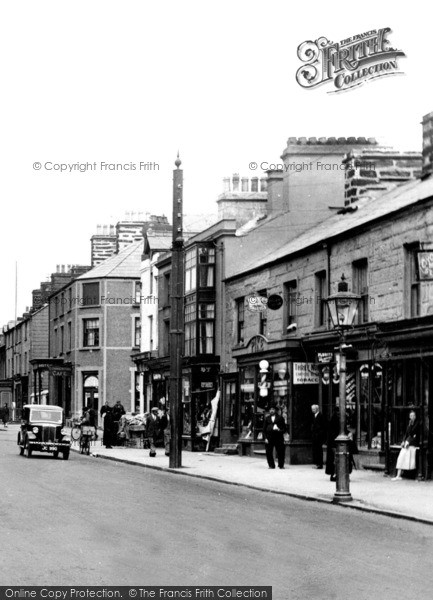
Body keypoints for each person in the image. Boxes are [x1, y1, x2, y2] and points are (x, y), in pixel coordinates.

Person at [392, 410, 419, 481]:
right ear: (409, 417)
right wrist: (403, 441)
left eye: (413, 415)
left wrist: (408, 442)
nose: (412, 417)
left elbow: (413, 433)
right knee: (400, 458)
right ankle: (398, 475)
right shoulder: (409, 423)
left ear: (415, 416)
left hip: (412, 444)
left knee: (407, 459)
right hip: (407, 444)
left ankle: (406, 475)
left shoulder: (417, 423)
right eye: (411, 416)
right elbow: (406, 434)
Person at [262, 404, 287, 469]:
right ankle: (271, 465)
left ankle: (281, 465)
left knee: (280, 451)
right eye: (270, 409)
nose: (271, 411)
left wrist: (279, 430)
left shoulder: (280, 418)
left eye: (273, 409)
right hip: (269, 437)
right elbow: (264, 429)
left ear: (275, 410)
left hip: (278, 437)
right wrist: (265, 438)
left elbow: (284, 428)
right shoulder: (267, 418)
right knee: (268, 452)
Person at [325, 407, 340, 482]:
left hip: (333, 443)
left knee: (334, 459)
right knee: (335, 459)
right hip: (334, 443)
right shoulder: (335, 419)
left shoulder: (333, 419)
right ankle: (334, 474)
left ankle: (334, 474)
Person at [311, 404, 326, 469]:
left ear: (317, 409)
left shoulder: (321, 416)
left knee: (319, 450)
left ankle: (320, 464)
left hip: (319, 436)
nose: (312, 410)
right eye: (312, 409)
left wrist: (320, 433)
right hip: (315, 435)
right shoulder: (314, 416)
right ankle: (317, 463)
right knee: (316, 450)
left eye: (313, 409)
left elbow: (323, 426)